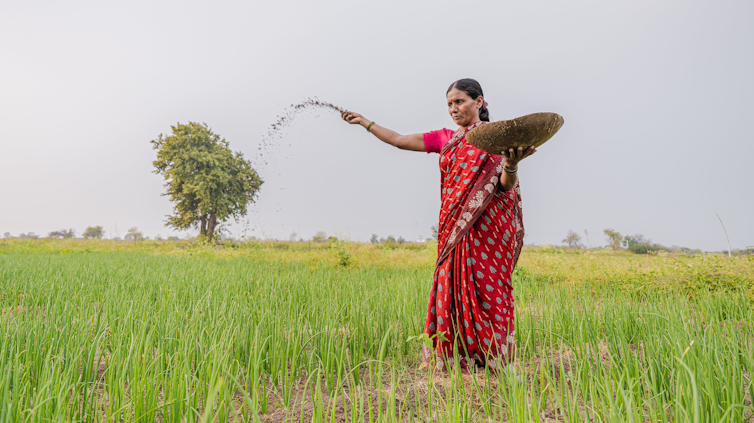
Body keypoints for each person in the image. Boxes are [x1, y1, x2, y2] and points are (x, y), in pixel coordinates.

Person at [341, 78, 536, 372]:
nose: (453, 109)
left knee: (488, 290)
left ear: (479, 102)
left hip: (487, 232)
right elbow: (398, 139)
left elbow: (505, 187)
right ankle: (453, 359)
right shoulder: (446, 138)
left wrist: (511, 165)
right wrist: (365, 122)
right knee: (453, 286)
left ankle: (492, 359)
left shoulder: (496, 138)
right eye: (449, 104)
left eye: (459, 102)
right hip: (454, 231)